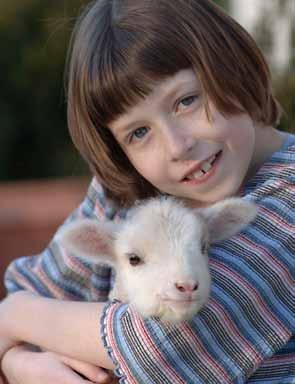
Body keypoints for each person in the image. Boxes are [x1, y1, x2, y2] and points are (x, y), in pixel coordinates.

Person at [0, 0, 294, 383]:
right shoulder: (123, 192)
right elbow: (31, 287)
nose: (176, 147)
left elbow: (165, 347)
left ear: (231, 67)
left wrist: (19, 316)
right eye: (138, 133)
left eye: (187, 100)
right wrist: (18, 362)